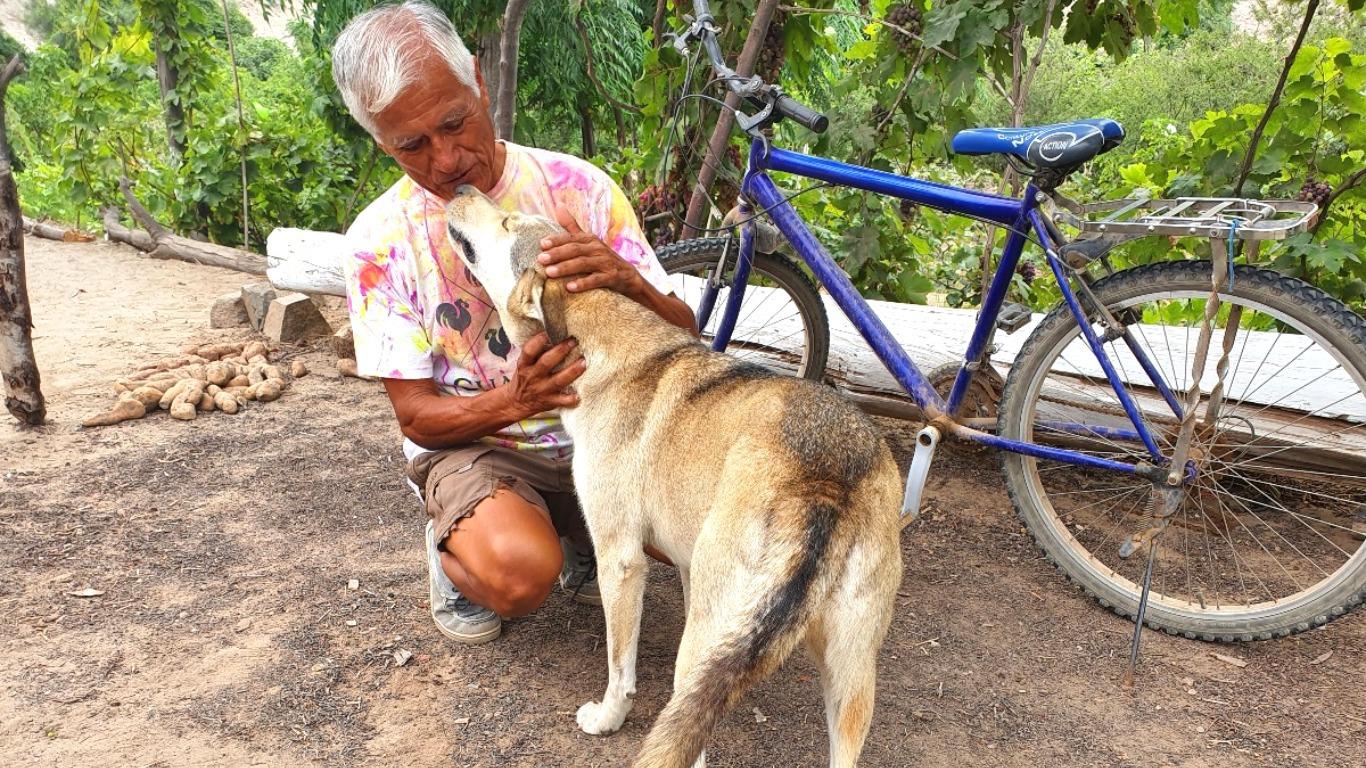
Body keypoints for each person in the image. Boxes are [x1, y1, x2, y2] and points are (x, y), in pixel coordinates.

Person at [331, 0, 695, 645]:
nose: (447, 160)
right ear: (379, 139)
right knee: (517, 575)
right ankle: (462, 543)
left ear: (476, 78)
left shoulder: (576, 188)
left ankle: (577, 528)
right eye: (412, 145)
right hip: (483, 448)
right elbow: (417, 419)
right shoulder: (377, 244)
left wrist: (627, 279)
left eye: (455, 123)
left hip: (607, 436)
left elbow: (683, 336)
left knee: (708, 537)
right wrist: (517, 401)